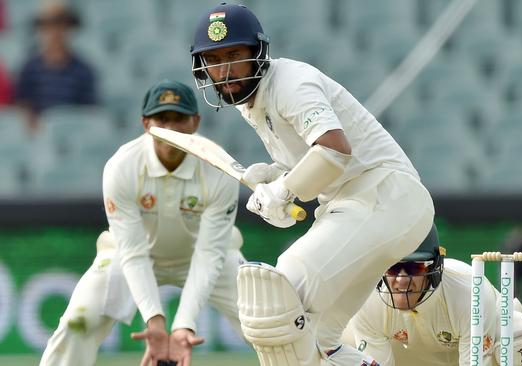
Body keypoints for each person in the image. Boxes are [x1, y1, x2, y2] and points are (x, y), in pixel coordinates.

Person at [189, 3, 435, 365]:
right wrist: (276, 176)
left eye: (234, 55)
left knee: (278, 295)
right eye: (214, 59)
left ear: (258, 54)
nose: (224, 70)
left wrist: (286, 189)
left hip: (384, 196)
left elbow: (335, 150)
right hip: (363, 205)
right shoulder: (250, 101)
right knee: (320, 343)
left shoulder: (290, 83)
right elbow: (314, 160)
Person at [39, 80, 245, 366]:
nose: (171, 129)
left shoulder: (219, 168)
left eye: (179, 119)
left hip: (211, 256)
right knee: (78, 321)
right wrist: (155, 322)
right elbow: (134, 253)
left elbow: (210, 254)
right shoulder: (122, 166)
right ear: (146, 123)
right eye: (162, 119)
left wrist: (184, 323)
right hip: (130, 256)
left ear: (195, 122)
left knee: (269, 318)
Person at [344, 225, 522, 365]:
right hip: (415, 354)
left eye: (413, 268)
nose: (400, 280)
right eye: (392, 268)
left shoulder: (469, 293)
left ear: (433, 267)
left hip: (487, 346)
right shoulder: (367, 299)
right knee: (341, 346)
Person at [14, 0, 96, 132]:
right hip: (39, 139)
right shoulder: (29, 70)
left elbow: (88, 115)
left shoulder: (84, 71)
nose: (54, 30)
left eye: (60, 23)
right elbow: (23, 111)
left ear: (69, 26)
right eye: (47, 24)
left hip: (75, 136)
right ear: (40, 28)